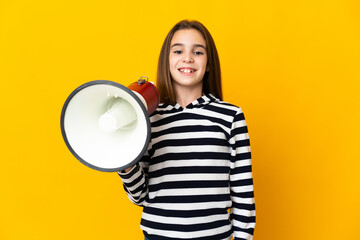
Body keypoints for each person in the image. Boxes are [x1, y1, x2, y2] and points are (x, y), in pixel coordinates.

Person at [118, 20, 256, 240]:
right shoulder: (149, 119)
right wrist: (125, 165)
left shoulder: (231, 117)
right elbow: (140, 196)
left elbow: (243, 194)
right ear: (167, 60)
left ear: (209, 63)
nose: (188, 58)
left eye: (198, 52)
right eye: (178, 50)